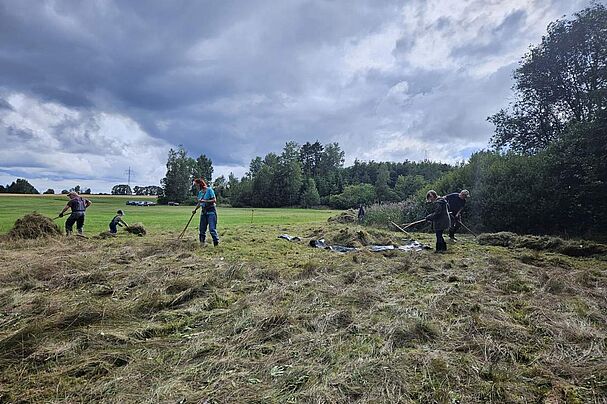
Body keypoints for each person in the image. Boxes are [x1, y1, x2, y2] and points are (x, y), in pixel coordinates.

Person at [192, 178, 219, 246]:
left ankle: (216, 244)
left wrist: (205, 201)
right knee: (202, 229)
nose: (195, 187)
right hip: (203, 212)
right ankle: (202, 244)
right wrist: (195, 210)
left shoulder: (209, 190)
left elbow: (214, 200)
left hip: (211, 211)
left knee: (212, 229)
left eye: (196, 185)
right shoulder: (200, 193)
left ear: (200, 184)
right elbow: (199, 203)